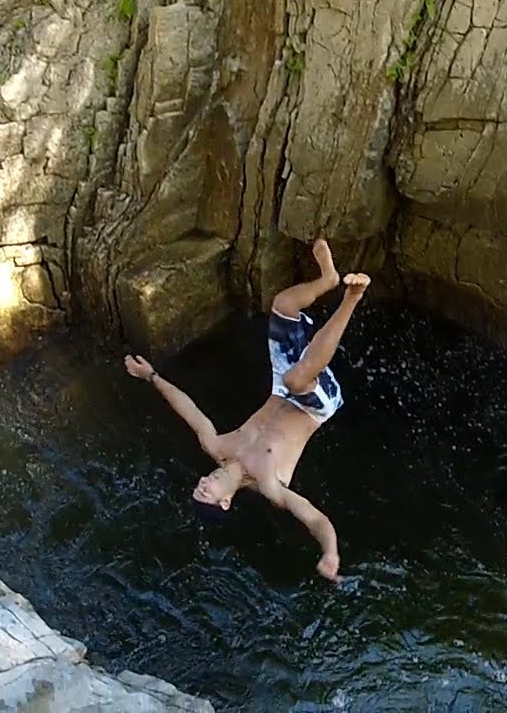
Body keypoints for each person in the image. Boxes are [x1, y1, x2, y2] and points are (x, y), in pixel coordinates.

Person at [123, 239, 370, 582]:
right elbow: (315, 519)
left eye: (198, 486)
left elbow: (188, 410)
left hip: (282, 387)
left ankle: (327, 279)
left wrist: (151, 376)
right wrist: (331, 553)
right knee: (299, 378)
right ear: (225, 502)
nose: (203, 483)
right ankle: (352, 297)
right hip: (316, 404)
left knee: (283, 305)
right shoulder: (269, 485)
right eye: (206, 493)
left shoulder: (219, 446)